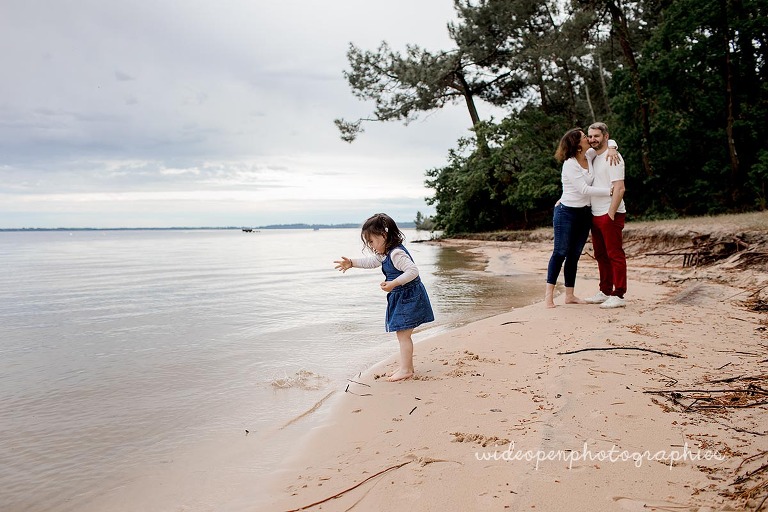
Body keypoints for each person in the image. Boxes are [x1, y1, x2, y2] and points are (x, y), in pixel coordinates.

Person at [334, 213, 435, 382]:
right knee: (402, 334)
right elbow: (371, 262)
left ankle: (406, 369)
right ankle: (406, 365)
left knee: (403, 335)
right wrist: (352, 262)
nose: (371, 246)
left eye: (371, 241)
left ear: (384, 235)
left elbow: (413, 271)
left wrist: (394, 283)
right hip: (403, 297)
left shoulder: (396, 254)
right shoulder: (386, 253)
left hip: (409, 296)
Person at [546, 128, 616, 308]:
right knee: (560, 252)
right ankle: (549, 296)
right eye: (585, 137)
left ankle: (569, 295)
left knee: (574, 255)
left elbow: (608, 143)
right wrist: (609, 191)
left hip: (584, 213)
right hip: (566, 212)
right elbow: (583, 189)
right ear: (578, 145)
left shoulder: (589, 155)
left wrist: (613, 147)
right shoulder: (570, 164)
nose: (589, 138)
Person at [584, 122, 627, 309]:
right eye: (590, 136)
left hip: (610, 213)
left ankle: (618, 294)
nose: (593, 139)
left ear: (606, 136)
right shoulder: (593, 156)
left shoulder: (614, 157)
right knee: (601, 255)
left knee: (614, 254)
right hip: (595, 213)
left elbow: (620, 187)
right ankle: (605, 290)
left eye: (597, 136)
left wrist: (610, 214)